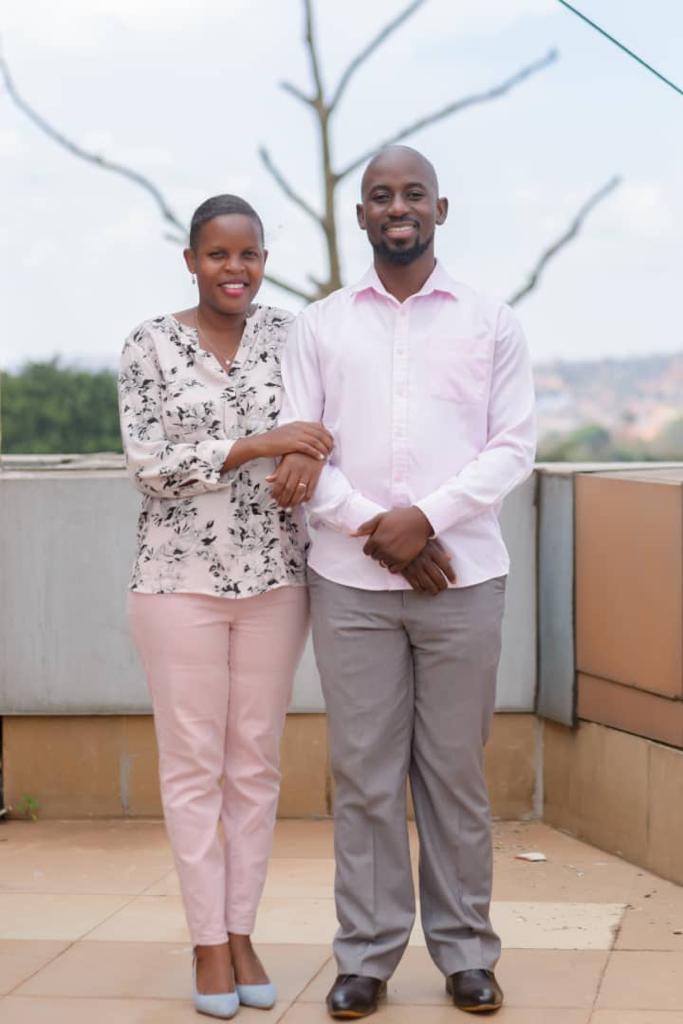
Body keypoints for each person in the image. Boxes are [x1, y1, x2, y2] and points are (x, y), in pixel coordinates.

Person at [271, 145, 536, 1017]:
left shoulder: (491, 321)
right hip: (348, 585)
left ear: (440, 209)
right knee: (365, 774)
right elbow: (300, 443)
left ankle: (465, 951)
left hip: (462, 578)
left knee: (454, 774)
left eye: (412, 194)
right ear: (360, 216)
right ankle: (367, 956)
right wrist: (376, 532)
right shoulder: (318, 326)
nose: (397, 207)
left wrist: (423, 518)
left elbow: (511, 446)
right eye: (380, 195)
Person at [118, 194, 332, 1019]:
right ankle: (206, 941)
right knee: (192, 768)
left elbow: (323, 427)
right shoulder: (148, 344)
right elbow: (151, 467)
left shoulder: (294, 337)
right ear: (190, 259)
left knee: (256, 765)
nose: (234, 269)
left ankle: (243, 931)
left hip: (278, 577)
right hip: (176, 584)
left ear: (263, 261)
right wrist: (260, 444)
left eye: (248, 255)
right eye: (217, 254)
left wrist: (306, 459)